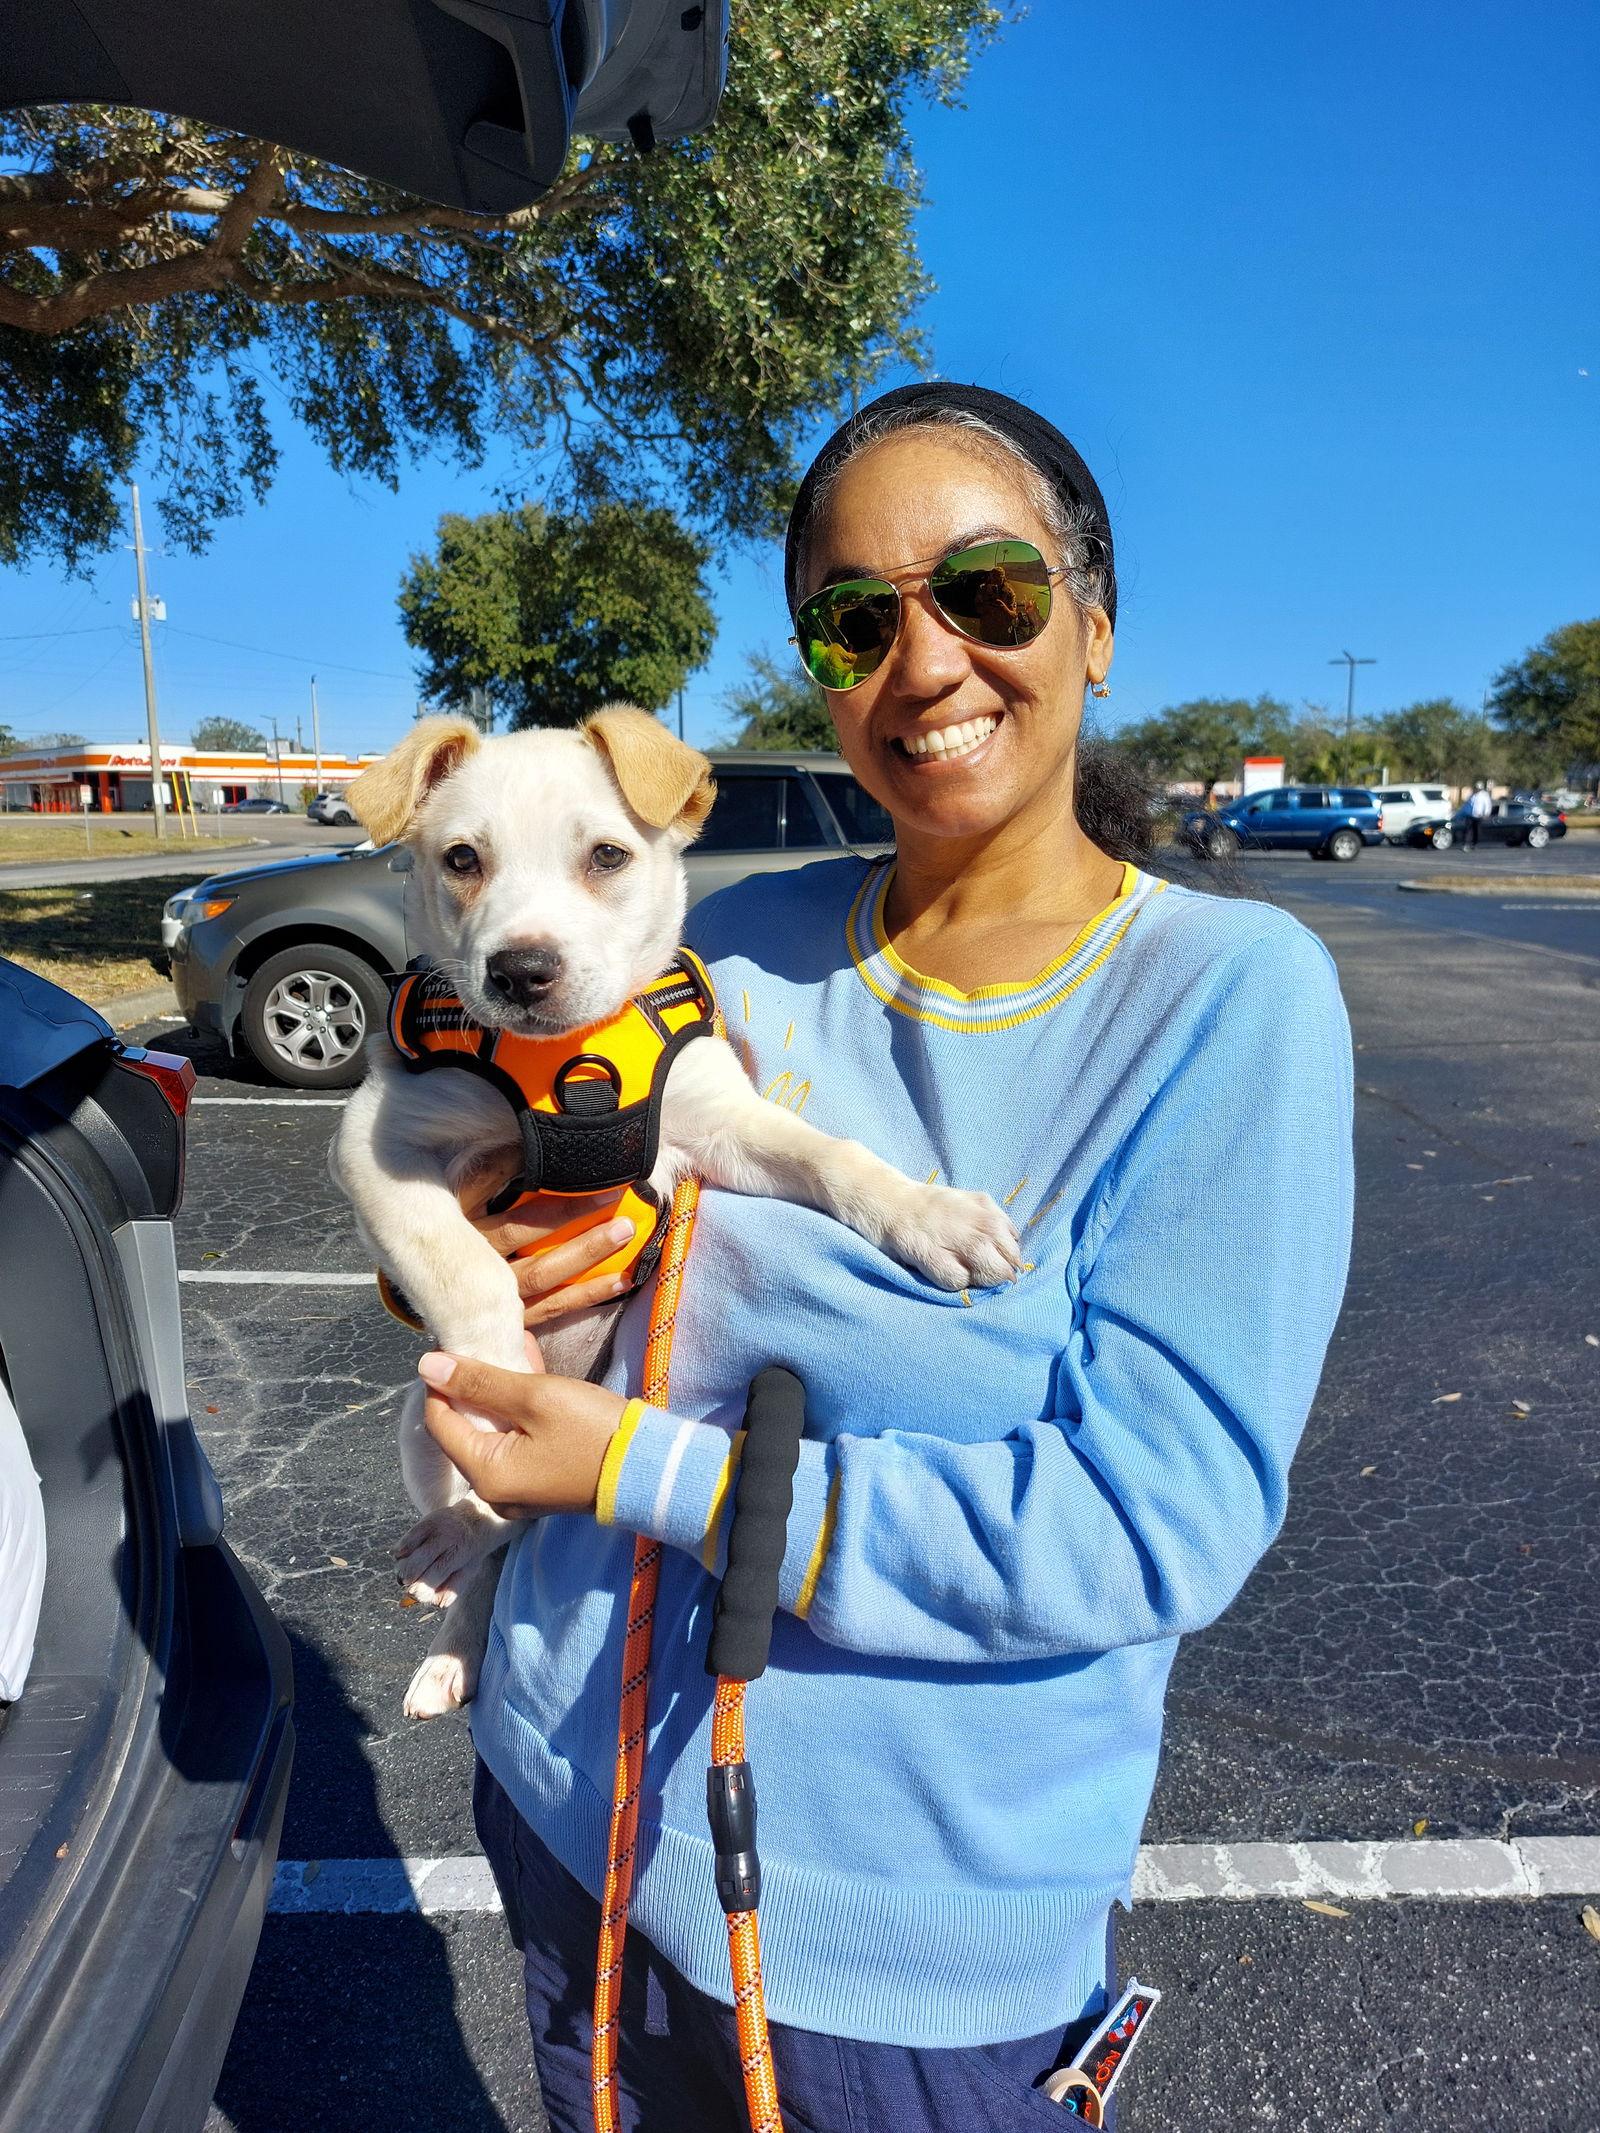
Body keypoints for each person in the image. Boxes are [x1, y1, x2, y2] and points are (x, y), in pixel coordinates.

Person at [416, 383, 1355, 2132]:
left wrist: (636, 1465)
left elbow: (1153, 1516)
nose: (921, 661)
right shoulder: (723, 935)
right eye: (855, 618)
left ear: (1094, 619)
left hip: (902, 1964)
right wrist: (463, 1254)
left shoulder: (1228, 995)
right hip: (564, 1821)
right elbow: (481, 1151)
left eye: (983, 592)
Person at [1464, 781, 1494, 849]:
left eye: (1478, 788)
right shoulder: (1472, 795)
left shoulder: (1484, 795)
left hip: (1479, 816)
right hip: (1470, 815)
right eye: (1476, 788)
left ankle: (1474, 844)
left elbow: (1488, 805)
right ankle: (1466, 844)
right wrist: (1464, 813)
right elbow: (1467, 805)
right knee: (1467, 830)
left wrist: (1486, 813)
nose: (1476, 789)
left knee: (1476, 830)